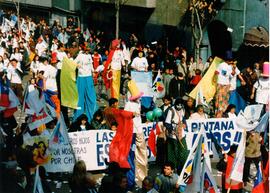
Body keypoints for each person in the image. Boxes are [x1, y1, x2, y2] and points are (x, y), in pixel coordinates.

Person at [73, 46, 97, 122]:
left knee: (91, 97)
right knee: (80, 98)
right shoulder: (80, 56)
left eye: (88, 50)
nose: (87, 51)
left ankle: (90, 118)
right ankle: (78, 118)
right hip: (81, 77)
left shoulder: (89, 56)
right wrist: (77, 65)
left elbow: (91, 65)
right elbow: (73, 63)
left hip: (89, 77)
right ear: (83, 50)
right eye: (86, 50)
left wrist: (93, 72)